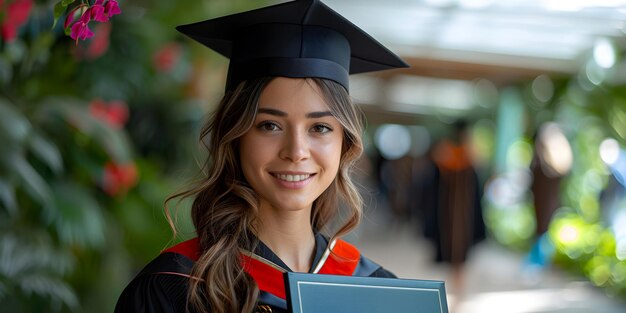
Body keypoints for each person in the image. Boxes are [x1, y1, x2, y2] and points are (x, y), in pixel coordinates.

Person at [115, 1, 408, 312]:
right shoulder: (176, 288)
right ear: (235, 135)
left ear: (345, 143)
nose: (296, 151)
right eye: (269, 125)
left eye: (320, 127)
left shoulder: (376, 288)